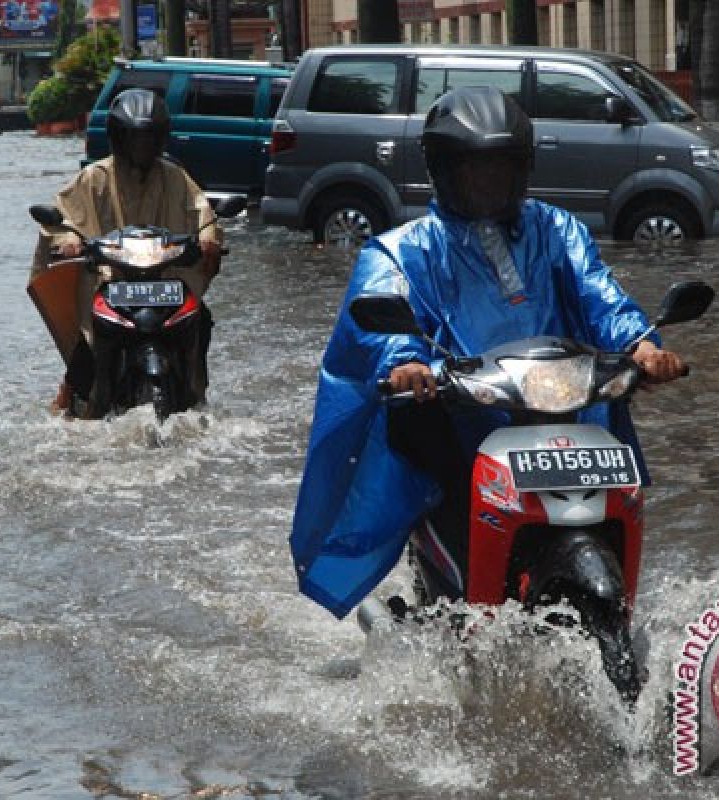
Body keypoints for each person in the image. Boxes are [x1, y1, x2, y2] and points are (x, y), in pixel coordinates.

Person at [289, 87, 686, 618]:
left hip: (558, 410)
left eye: (501, 167)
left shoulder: (557, 229)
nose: (489, 181)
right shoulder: (402, 248)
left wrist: (642, 345)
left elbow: (600, 296)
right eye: (475, 168)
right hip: (456, 417)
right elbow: (381, 316)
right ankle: (458, 599)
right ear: (444, 170)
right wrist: (405, 364)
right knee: (423, 440)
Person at [30, 88, 221, 414]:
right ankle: (72, 393)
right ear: (120, 139)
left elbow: (201, 211)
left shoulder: (174, 176)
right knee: (87, 340)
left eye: (148, 138)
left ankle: (195, 390)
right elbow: (63, 218)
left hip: (165, 280)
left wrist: (208, 237)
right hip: (110, 278)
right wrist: (69, 242)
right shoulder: (94, 178)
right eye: (135, 138)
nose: (142, 146)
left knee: (200, 319)